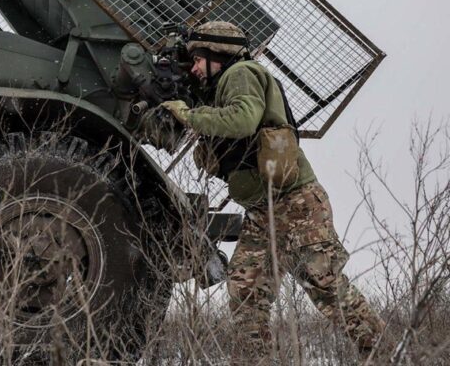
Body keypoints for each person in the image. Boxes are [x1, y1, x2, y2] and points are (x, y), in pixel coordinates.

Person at [159, 21, 385, 363]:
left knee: (325, 287)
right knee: (245, 293)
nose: (193, 68)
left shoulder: (242, 73)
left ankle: (387, 356)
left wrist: (189, 115)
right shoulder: (222, 87)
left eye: (197, 59)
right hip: (262, 212)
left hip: (296, 205)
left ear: (217, 54)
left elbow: (243, 120)